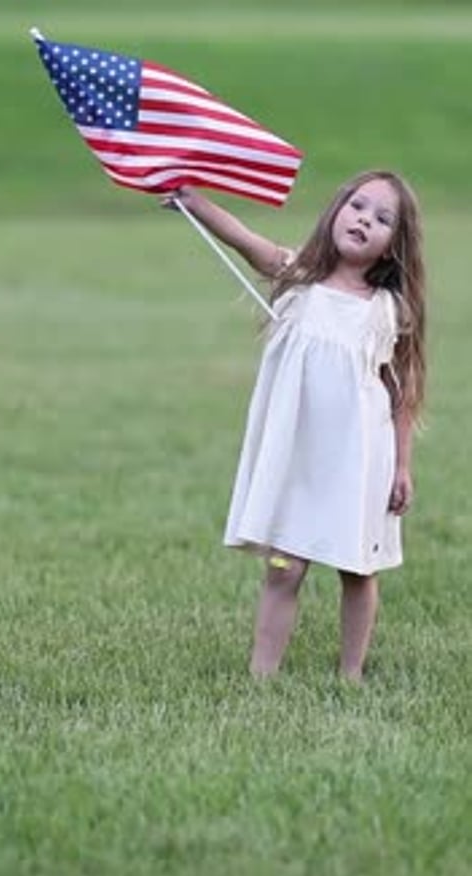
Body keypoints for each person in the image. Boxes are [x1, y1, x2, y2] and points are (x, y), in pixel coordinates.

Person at [162, 170, 426, 682]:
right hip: (300, 461)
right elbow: (249, 244)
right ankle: (263, 675)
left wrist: (403, 467)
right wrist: (197, 204)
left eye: (382, 218)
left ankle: (351, 674)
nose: (364, 219)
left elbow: (402, 395)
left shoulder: (387, 311)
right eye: (357, 206)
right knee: (285, 569)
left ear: (395, 245)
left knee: (358, 569)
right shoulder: (300, 279)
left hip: (360, 462)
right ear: (335, 211)